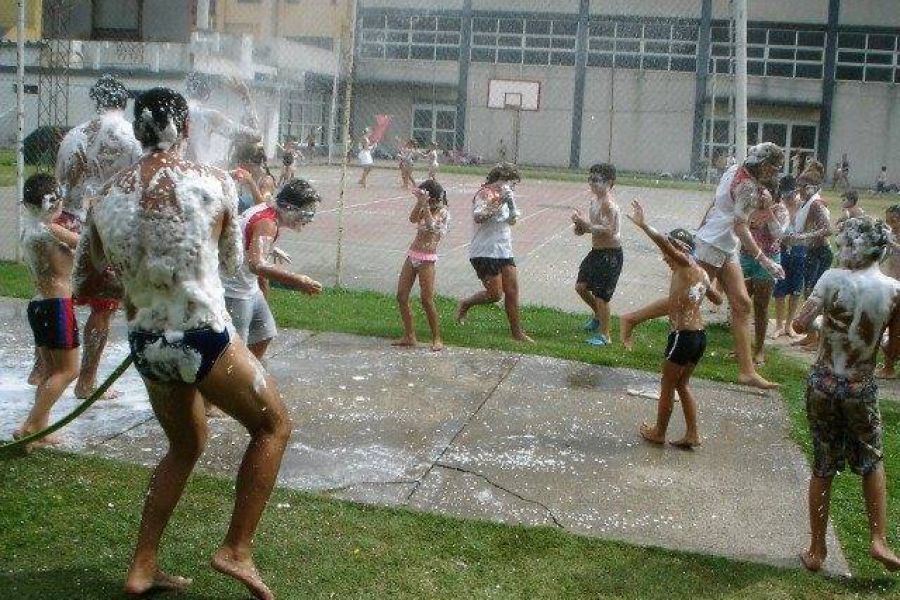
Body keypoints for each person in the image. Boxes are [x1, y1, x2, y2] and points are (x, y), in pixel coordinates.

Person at [74, 87, 290, 599]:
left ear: (137, 129)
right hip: (201, 334)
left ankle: (142, 567)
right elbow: (232, 265)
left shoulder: (105, 195)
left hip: (147, 342)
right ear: (185, 130)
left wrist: (139, 280)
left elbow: (86, 281)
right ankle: (236, 549)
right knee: (274, 425)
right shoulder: (213, 182)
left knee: (185, 445)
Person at [621, 143, 785, 389]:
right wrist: (764, 259)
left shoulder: (734, 170)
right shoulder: (749, 188)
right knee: (688, 298)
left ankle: (746, 371)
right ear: (764, 165)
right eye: (774, 168)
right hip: (714, 245)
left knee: (741, 303)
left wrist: (703, 227)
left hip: (722, 244)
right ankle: (632, 319)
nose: (775, 173)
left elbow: (715, 205)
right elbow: (741, 227)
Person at [793, 216, 900, 574]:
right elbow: (892, 350)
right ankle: (878, 539)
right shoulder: (893, 289)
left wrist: (828, 321)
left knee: (824, 464)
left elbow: (798, 323)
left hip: (823, 384)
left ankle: (817, 549)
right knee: (872, 459)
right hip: (860, 387)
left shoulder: (830, 279)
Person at [53, 73, 143, 400]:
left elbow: (60, 184)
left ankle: (43, 370)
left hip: (68, 220)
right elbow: (138, 187)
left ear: (96, 100)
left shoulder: (74, 135)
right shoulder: (133, 137)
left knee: (57, 296)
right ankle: (86, 380)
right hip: (104, 228)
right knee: (102, 308)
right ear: (124, 102)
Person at [627, 200, 721, 449]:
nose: (664, 259)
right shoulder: (699, 272)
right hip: (699, 336)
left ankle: (659, 431)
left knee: (667, 384)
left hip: (683, 335)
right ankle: (693, 434)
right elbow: (717, 298)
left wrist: (644, 225)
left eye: (668, 254)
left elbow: (665, 245)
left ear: (680, 249)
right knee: (682, 383)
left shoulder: (685, 263)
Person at [223, 178, 323, 361]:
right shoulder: (268, 223)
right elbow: (257, 265)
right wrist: (297, 280)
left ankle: (252, 374)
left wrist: (270, 248)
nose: (309, 218)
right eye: (307, 212)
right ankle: (233, 383)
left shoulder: (265, 210)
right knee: (234, 352)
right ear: (289, 208)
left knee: (264, 333)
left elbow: (244, 235)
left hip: (247, 288)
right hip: (235, 292)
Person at [15, 174, 81, 452]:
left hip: (38, 304)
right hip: (58, 305)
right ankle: (29, 426)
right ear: (53, 201)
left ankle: (40, 428)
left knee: (50, 370)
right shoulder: (52, 230)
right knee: (69, 370)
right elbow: (86, 245)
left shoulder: (30, 231)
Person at [456, 163, 532, 342]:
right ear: (501, 181)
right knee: (495, 295)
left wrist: (512, 210)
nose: (512, 188)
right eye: (511, 184)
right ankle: (466, 303)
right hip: (484, 251)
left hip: (504, 250)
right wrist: (501, 202)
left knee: (512, 291)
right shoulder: (484, 194)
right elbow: (479, 216)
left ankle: (517, 333)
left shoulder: (506, 195)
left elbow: (509, 221)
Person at [392, 180, 450, 352]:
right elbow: (412, 219)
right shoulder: (425, 207)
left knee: (426, 299)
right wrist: (420, 203)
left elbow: (432, 227)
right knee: (401, 295)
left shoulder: (444, 211)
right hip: (413, 255)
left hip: (427, 258)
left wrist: (425, 206)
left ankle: (437, 338)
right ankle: (409, 335)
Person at [571, 163, 623, 346]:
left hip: (610, 255)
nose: (592, 183)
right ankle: (598, 316)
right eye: (590, 179)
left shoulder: (609, 204)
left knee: (602, 296)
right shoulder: (594, 201)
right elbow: (590, 230)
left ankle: (605, 335)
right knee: (581, 287)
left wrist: (585, 225)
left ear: (609, 182)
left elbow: (609, 230)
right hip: (597, 252)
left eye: (596, 180)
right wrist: (579, 226)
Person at [740, 184, 788, 364]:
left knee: (761, 305)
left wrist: (768, 213)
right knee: (741, 303)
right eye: (758, 194)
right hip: (746, 257)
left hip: (769, 259)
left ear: (772, 196)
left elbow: (778, 235)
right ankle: (741, 347)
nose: (759, 198)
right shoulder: (748, 207)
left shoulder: (779, 210)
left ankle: (759, 349)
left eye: (763, 195)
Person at [183, 72, 261, 169]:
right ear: (208, 94)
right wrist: (245, 97)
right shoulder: (208, 116)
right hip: (197, 175)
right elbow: (256, 136)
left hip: (173, 174)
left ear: (186, 90)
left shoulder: (176, 113)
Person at [772, 175, 805, 339]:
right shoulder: (779, 206)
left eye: (790, 194)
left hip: (799, 249)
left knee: (796, 289)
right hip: (782, 249)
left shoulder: (804, 205)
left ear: (796, 191)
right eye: (785, 194)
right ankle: (779, 325)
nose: (787, 197)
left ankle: (788, 324)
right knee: (780, 288)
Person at [877, 205, 900, 379]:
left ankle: (889, 368)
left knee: (895, 329)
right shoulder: (891, 235)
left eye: (894, 220)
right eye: (889, 221)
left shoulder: (894, 239)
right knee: (883, 326)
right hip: (890, 286)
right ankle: (887, 364)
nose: (891, 224)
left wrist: (891, 243)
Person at [232, 141, 276, 215]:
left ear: (249, 162)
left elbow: (264, 206)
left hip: (255, 223)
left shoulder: (266, 181)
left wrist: (251, 182)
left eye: (239, 161)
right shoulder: (245, 176)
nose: (238, 165)